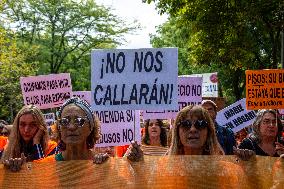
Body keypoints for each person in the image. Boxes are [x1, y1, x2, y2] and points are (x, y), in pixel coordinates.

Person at [1, 105, 57, 171]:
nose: (26, 130)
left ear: (41, 127)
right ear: (17, 126)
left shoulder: (52, 148)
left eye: (33, 124)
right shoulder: (7, 149)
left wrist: (36, 142)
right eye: (22, 124)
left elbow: (44, 175)